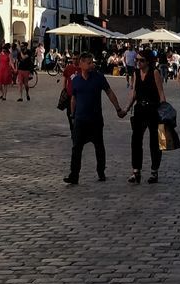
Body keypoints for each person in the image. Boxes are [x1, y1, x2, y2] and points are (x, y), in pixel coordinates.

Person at [63, 52, 125, 185]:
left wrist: (118, 108)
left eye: (92, 62)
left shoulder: (99, 77)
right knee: (76, 148)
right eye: (89, 62)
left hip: (95, 119)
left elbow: (109, 92)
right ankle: (74, 175)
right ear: (81, 64)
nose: (92, 64)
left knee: (99, 146)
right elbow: (73, 98)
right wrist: (72, 115)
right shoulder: (76, 80)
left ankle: (101, 171)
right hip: (80, 119)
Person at [124, 49, 166, 184]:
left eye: (141, 60)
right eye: (137, 60)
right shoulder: (136, 73)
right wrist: (126, 108)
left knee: (155, 142)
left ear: (148, 61)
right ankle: (136, 171)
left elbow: (161, 93)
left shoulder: (154, 72)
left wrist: (164, 111)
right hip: (140, 110)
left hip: (153, 110)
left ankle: (154, 171)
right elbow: (134, 93)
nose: (138, 62)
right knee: (135, 140)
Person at [63, 53, 80, 136]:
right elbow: (65, 78)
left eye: (76, 58)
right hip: (70, 94)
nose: (75, 60)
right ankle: (72, 129)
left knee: (78, 112)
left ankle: (77, 129)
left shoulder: (82, 68)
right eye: (73, 58)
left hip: (79, 95)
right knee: (69, 113)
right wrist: (64, 89)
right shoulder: (68, 68)